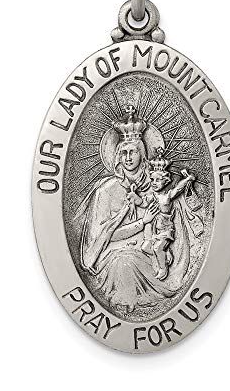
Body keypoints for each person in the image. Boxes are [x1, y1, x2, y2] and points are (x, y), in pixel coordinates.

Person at [76, 106, 190, 313]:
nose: (128, 157)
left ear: (142, 154)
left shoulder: (156, 185)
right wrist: (142, 223)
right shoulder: (106, 190)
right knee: (124, 262)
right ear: (117, 155)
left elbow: (170, 216)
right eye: (123, 152)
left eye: (133, 152)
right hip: (113, 254)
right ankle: (129, 305)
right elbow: (102, 235)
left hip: (151, 250)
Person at [140, 148, 196, 280]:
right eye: (152, 179)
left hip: (166, 230)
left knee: (157, 248)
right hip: (154, 231)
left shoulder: (167, 197)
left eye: (158, 180)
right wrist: (133, 196)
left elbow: (178, 188)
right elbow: (141, 203)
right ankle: (166, 253)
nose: (154, 183)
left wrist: (188, 179)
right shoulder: (151, 196)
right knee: (145, 247)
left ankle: (163, 269)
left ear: (165, 181)